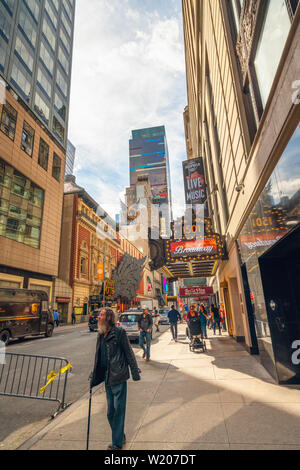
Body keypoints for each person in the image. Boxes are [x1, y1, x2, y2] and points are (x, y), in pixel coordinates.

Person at [90, 308, 141, 450]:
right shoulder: (100, 334)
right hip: (107, 378)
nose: (98, 317)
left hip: (118, 376)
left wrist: (135, 372)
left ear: (108, 318)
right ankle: (120, 434)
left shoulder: (119, 332)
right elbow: (98, 356)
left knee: (118, 410)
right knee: (110, 412)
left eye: (101, 315)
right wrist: (94, 375)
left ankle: (117, 444)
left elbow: (129, 352)